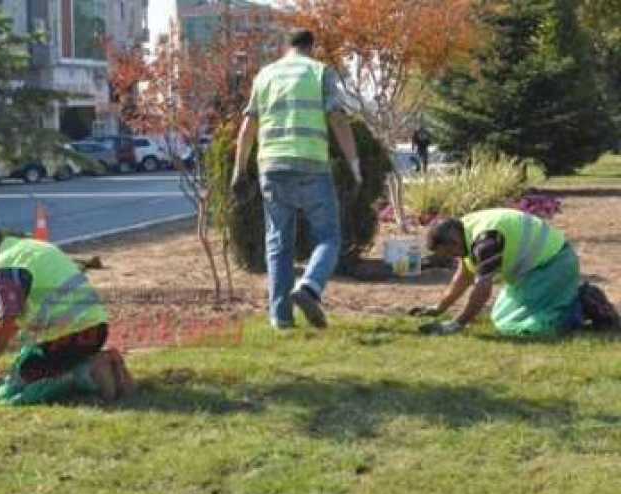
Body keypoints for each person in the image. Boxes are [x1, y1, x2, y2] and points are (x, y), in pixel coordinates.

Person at [232, 27, 362, 330]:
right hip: (312, 166)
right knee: (329, 236)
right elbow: (338, 120)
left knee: (278, 243)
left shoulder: (264, 76)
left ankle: (281, 319)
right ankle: (309, 288)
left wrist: (239, 171)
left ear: (286, 48)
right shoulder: (319, 72)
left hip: (272, 167)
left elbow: (247, 128)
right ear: (311, 47)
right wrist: (354, 165)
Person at [0, 213, 134, 405]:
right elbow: (8, 321)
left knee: (9, 394)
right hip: (94, 331)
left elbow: (5, 327)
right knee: (27, 361)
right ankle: (100, 361)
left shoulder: (5, 267)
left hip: (69, 338)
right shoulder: (26, 247)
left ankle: (88, 372)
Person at [412, 208, 619, 336]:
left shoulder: (485, 240)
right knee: (502, 319)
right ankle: (570, 300)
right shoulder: (465, 230)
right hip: (534, 271)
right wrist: (438, 308)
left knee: (529, 329)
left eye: (449, 252)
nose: (451, 257)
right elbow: (464, 276)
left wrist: (456, 324)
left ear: (454, 242)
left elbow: (482, 290)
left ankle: (582, 303)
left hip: (554, 265)